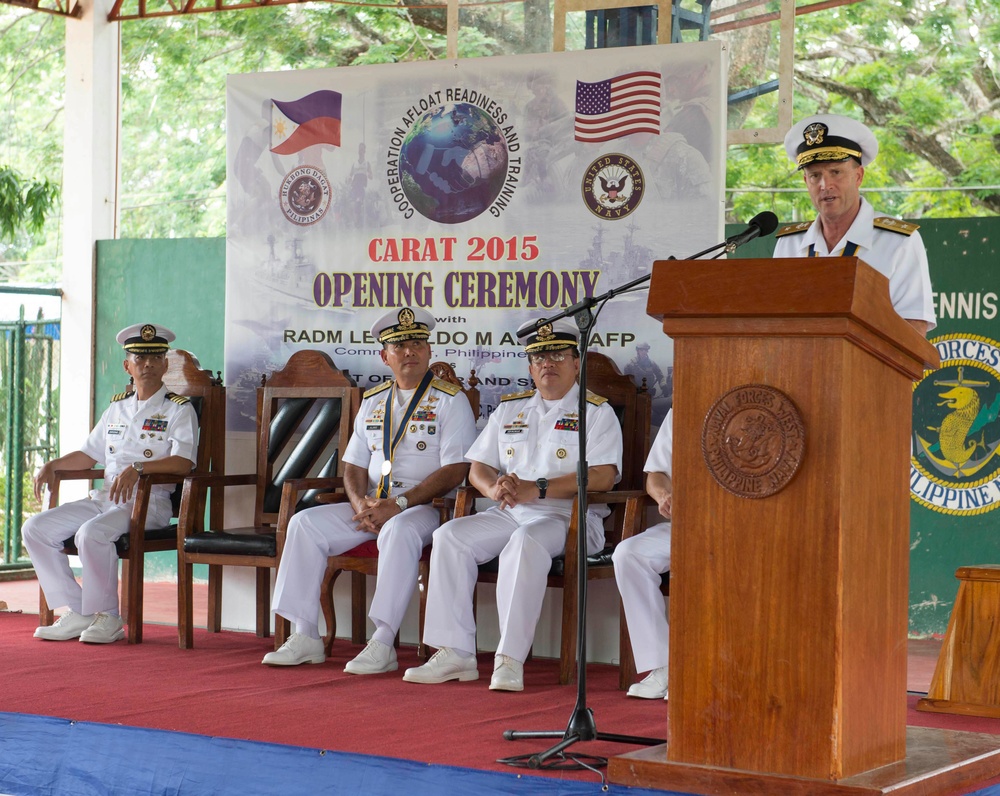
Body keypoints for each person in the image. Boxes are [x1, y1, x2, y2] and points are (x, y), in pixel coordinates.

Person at [403, 318, 623, 692]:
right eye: (538, 357)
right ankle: (455, 652)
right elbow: (478, 467)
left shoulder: (596, 411)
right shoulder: (511, 409)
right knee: (450, 536)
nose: (547, 364)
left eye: (557, 355)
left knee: (525, 544)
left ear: (576, 363)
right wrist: (493, 489)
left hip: (569, 518)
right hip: (509, 511)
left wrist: (535, 488)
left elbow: (602, 476)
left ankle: (509, 658)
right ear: (530, 367)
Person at [265, 306, 478, 674]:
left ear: (429, 351)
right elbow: (352, 465)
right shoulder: (374, 400)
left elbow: (457, 469)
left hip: (425, 507)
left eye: (416, 343)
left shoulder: (450, 400)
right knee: (303, 523)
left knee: (397, 529)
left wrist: (398, 504)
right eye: (400, 346)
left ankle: (383, 640)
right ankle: (305, 635)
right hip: (373, 504)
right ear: (385, 356)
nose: (409, 351)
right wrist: (358, 503)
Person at [23, 324, 198, 643]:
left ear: (165, 364)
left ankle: (109, 617)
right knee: (35, 527)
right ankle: (78, 611)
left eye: (156, 357)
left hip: (147, 506)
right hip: (105, 500)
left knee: (91, 533)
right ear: (127, 365)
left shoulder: (178, 410)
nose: (148, 364)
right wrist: (53, 465)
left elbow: (184, 462)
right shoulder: (116, 408)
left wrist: (140, 467)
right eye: (140, 358)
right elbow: (89, 455)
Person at [773, 113, 936, 335]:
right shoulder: (789, 243)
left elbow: (915, 328)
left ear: (858, 176)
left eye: (835, 172)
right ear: (805, 182)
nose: (825, 184)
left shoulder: (899, 241)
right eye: (814, 176)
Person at [612, 408, 673, 700]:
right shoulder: (687, 406)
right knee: (628, 553)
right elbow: (656, 474)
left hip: (752, 528)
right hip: (688, 524)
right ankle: (662, 665)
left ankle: (704, 669)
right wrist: (664, 496)